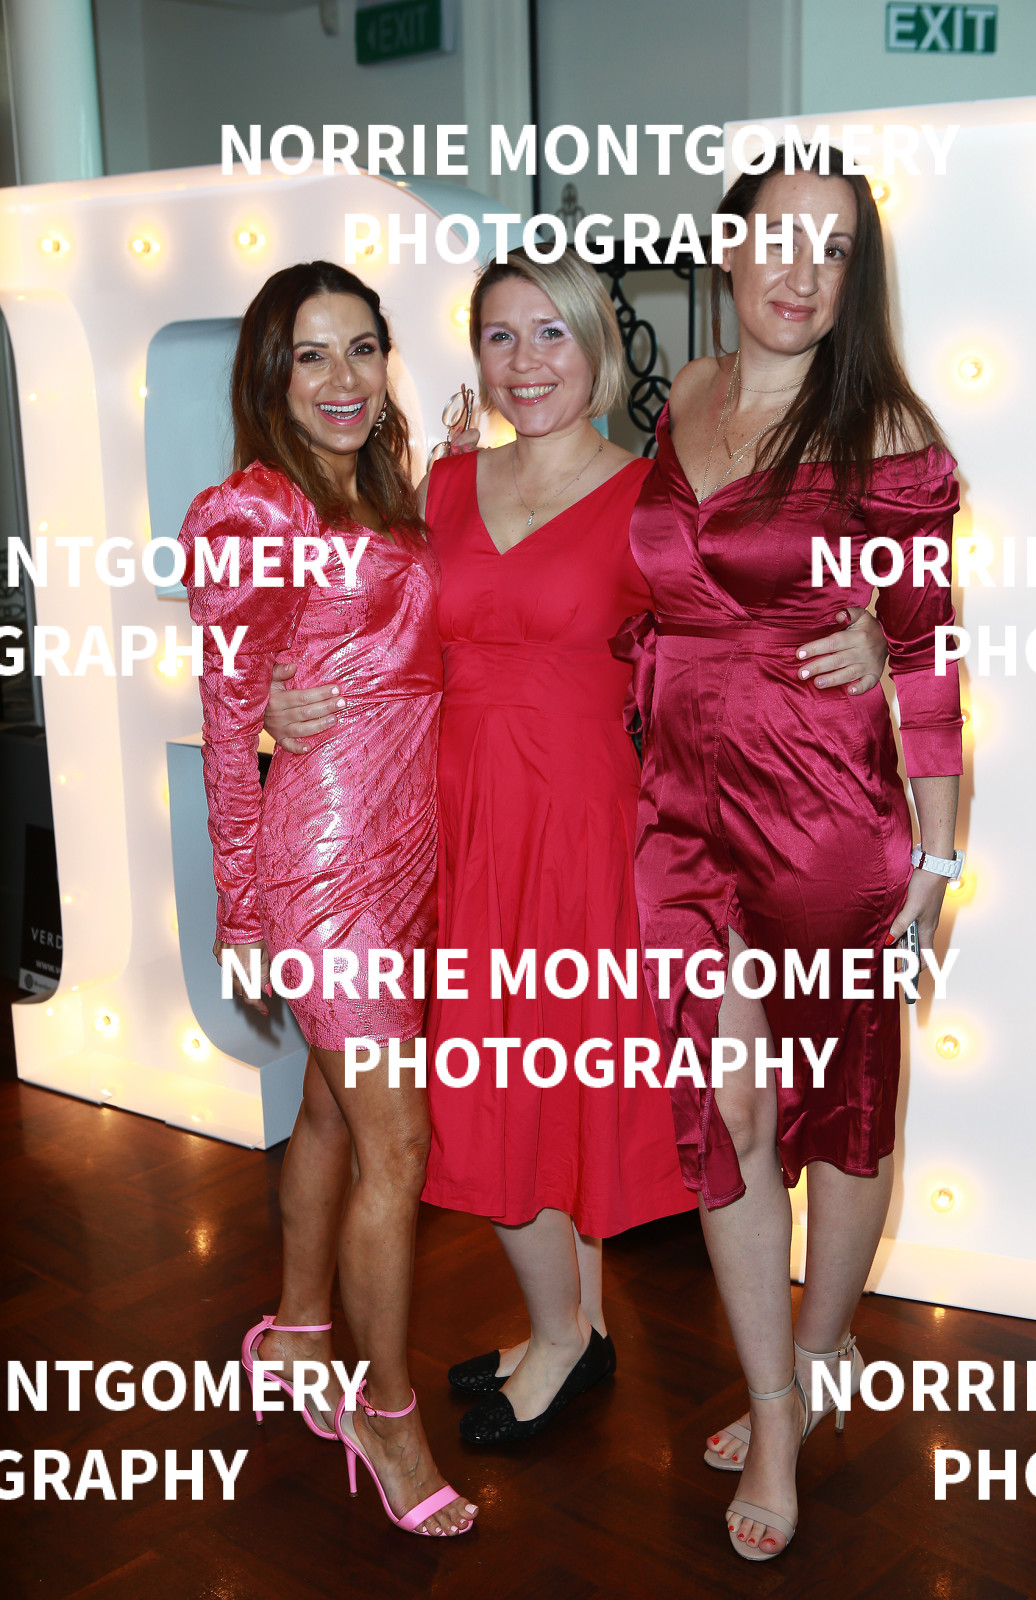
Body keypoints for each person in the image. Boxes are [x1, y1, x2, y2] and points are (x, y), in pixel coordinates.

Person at [264, 248, 890, 1450]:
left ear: (596, 344)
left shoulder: (654, 496)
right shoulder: (440, 482)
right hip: (451, 834)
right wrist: (272, 698)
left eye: (549, 332)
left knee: (568, 1091)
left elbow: (757, 611)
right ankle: (565, 1325)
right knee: (489, 1094)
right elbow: (357, 624)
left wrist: (866, 630)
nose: (524, 361)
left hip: (594, 838)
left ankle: (567, 1341)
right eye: (499, 336)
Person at [625, 149, 963, 1562]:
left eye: (830, 250)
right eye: (776, 237)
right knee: (729, 1112)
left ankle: (815, 1362)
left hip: (823, 817)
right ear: (726, 247)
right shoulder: (685, 394)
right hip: (674, 815)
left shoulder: (882, 428)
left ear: (850, 280)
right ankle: (773, 1404)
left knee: (842, 1105)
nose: (798, 271)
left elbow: (929, 657)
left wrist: (936, 864)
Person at [178, 261, 476, 1538]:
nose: (343, 378)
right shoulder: (251, 511)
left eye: (362, 348)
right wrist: (242, 909)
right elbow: (225, 721)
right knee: (397, 1144)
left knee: (330, 1113)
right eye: (312, 354)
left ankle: (298, 1331)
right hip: (323, 862)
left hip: (411, 851)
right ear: (271, 373)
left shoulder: (384, 487)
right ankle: (387, 1412)